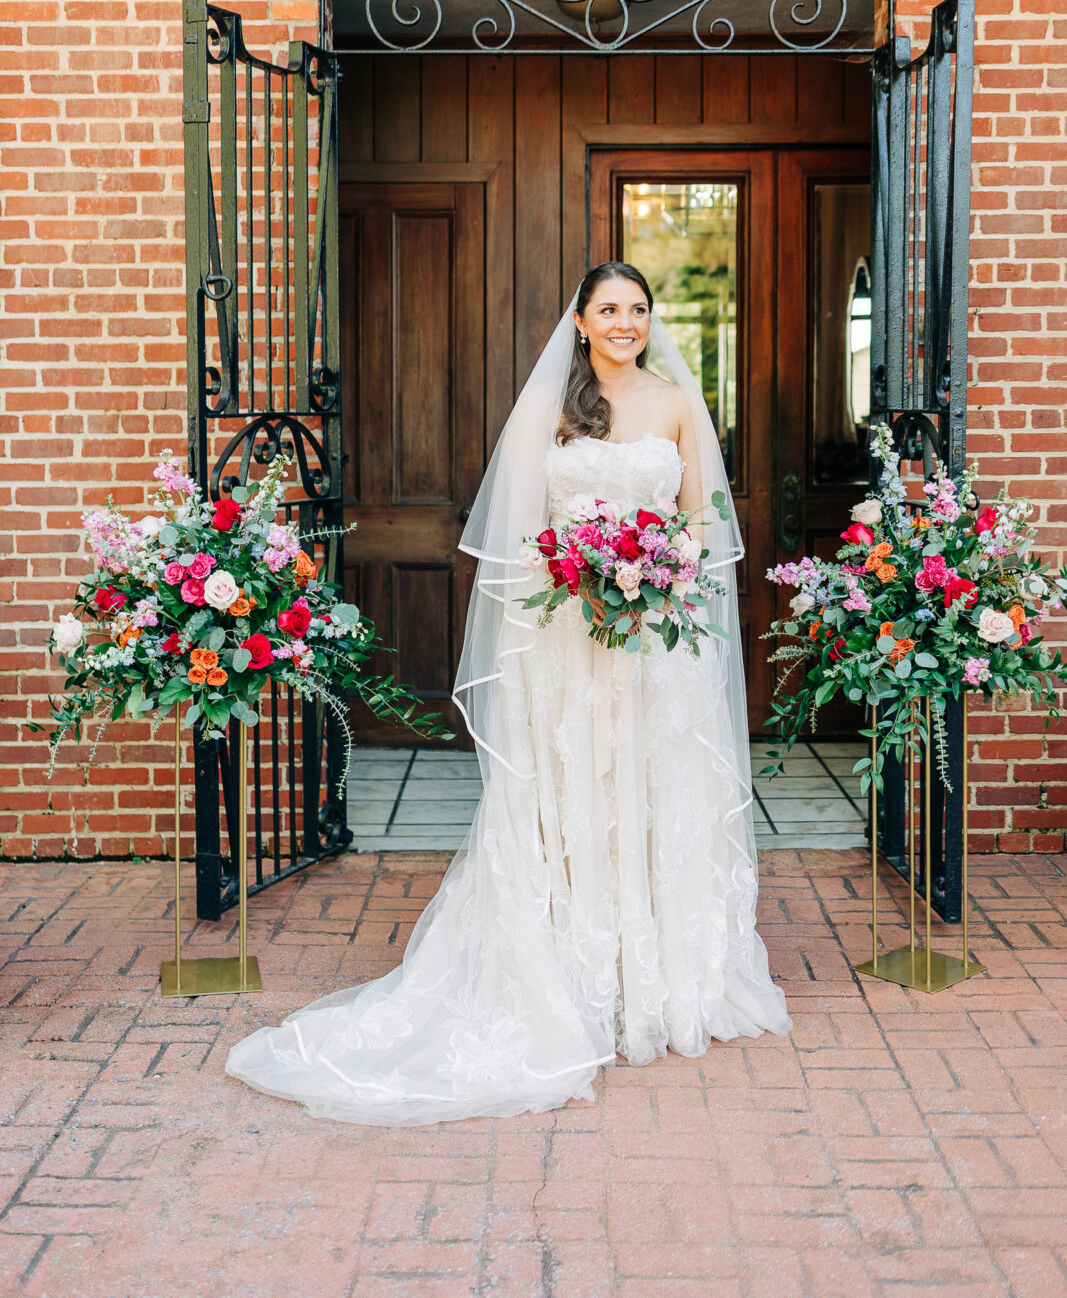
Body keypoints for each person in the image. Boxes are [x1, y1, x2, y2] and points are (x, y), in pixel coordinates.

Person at [226, 263, 792, 1125]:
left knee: (649, 787)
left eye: (637, 309)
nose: (625, 322)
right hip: (567, 636)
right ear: (579, 319)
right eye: (609, 309)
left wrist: (660, 576)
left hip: (651, 642)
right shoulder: (549, 412)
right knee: (570, 790)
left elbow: (700, 523)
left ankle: (660, 979)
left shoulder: (677, 403)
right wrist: (585, 580)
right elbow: (522, 536)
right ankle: (568, 965)